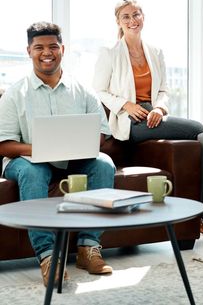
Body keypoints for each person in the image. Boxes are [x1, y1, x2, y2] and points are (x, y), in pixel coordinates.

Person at [0, 22, 116, 287]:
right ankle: (48, 256)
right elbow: (4, 145)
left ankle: (89, 248)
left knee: (104, 164)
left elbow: (100, 136)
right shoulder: (14, 94)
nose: (46, 52)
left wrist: (76, 147)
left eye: (53, 46)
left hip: (72, 159)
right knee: (33, 170)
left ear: (62, 49)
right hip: (26, 162)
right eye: (39, 47)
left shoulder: (83, 90)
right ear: (28, 51)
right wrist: (40, 148)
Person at [93, 0, 203, 143]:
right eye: (125, 17)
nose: (132, 20)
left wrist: (159, 109)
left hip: (152, 113)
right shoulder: (109, 53)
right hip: (130, 119)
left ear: (143, 17)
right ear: (118, 22)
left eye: (136, 14)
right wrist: (127, 105)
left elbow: (163, 90)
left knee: (195, 132)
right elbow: (99, 91)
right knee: (197, 129)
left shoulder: (156, 52)